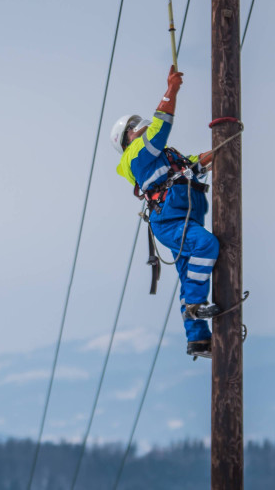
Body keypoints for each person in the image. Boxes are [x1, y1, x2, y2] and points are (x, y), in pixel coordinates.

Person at [110, 67, 219, 359]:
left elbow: (193, 163)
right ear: (126, 140)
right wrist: (171, 90)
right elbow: (161, 127)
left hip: (184, 214)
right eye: (132, 126)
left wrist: (223, 146)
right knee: (206, 245)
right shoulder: (135, 155)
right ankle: (196, 306)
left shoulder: (162, 155)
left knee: (188, 274)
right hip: (170, 219)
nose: (138, 126)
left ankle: (198, 339)